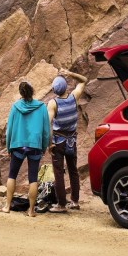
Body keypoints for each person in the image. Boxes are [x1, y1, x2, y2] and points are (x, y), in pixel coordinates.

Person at [0, 81, 50, 217]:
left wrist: (9, 147)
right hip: (34, 146)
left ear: (21, 93)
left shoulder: (15, 107)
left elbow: (9, 129)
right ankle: (31, 211)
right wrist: (43, 147)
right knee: (33, 178)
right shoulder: (41, 107)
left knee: (12, 174)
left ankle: (7, 206)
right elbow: (46, 131)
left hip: (18, 144)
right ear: (32, 91)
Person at [46, 69, 88, 212]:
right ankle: (75, 201)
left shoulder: (53, 103)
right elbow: (84, 80)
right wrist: (70, 73)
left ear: (54, 90)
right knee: (73, 170)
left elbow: (48, 125)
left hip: (58, 141)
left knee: (58, 173)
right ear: (66, 87)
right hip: (72, 140)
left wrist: (50, 143)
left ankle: (61, 205)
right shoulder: (74, 97)